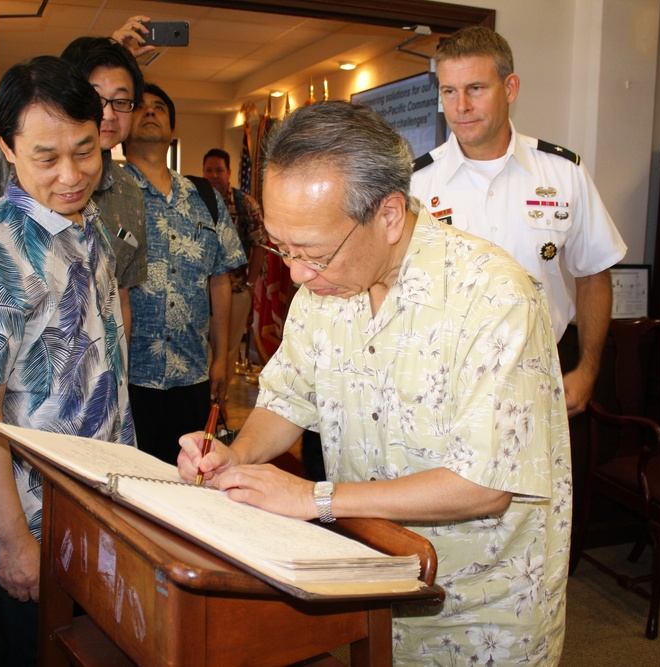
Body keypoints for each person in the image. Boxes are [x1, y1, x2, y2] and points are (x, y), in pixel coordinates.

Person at [178, 101, 572, 665]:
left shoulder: (494, 297)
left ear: (388, 215)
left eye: (313, 253)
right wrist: (235, 459)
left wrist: (313, 498)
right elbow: (289, 397)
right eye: (281, 248)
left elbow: (484, 484)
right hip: (369, 584)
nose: (295, 274)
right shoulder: (324, 288)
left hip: (478, 606)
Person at [0, 56, 131, 666]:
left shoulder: (87, 222)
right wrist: (16, 540)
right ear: (7, 149)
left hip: (98, 504)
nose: (71, 174)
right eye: (47, 157)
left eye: (85, 150)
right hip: (31, 519)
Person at [0, 17, 153, 429]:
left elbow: (116, 299)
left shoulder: (105, 208)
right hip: (31, 451)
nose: (69, 176)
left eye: (120, 100)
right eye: (48, 159)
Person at [410, 26, 627, 417]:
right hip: (445, 379)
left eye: (475, 88)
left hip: (540, 374)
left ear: (510, 88)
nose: (460, 106)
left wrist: (587, 370)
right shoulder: (417, 184)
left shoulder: (562, 173)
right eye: (448, 91)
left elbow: (594, 273)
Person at [123, 84, 245, 464]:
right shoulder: (107, 194)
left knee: (190, 481)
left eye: (159, 107)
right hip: (129, 377)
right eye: (139, 107)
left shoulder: (204, 196)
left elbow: (220, 280)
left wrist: (221, 356)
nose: (149, 112)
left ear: (172, 130)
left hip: (192, 373)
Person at [202, 148, 267, 371]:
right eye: (209, 170)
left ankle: (220, 400)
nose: (213, 175)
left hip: (236, 291)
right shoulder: (195, 202)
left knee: (228, 349)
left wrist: (250, 284)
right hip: (200, 292)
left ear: (229, 172)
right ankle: (205, 402)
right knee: (203, 348)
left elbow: (261, 245)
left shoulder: (246, 205)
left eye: (219, 170)